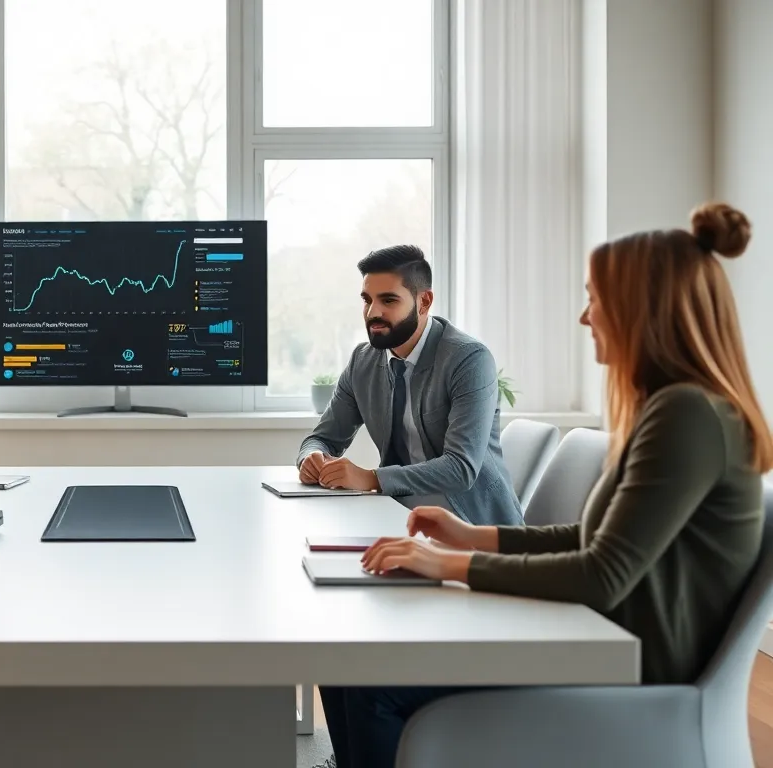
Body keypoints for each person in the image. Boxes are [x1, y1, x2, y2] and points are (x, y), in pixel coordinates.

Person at [322, 203, 773, 768]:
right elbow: (593, 539)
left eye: (596, 298)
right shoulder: (678, 409)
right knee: (350, 667)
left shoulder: (686, 415)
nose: (587, 317)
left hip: (622, 663)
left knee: (369, 687)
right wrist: (471, 536)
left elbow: (601, 573)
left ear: (644, 308)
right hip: (599, 638)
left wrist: (446, 564)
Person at [296, 245, 522, 527]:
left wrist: (371, 478)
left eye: (388, 301)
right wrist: (311, 457)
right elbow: (323, 438)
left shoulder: (469, 360)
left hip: (475, 530)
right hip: (399, 517)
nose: (372, 313)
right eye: (367, 300)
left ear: (424, 302)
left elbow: (461, 468)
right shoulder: (362, 362)